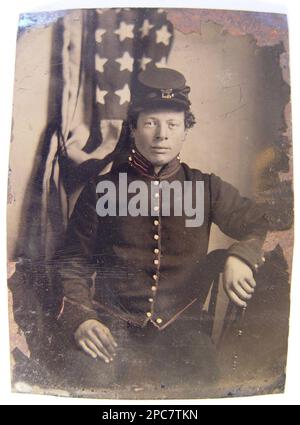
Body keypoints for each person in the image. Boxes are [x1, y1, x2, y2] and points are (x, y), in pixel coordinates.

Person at [51, 67, 268, 390]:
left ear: (185, 130)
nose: (161, 135)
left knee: (202, 381)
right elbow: (72, 260)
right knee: (87, 381)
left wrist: (241, 255)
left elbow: (265, 222)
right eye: (151, 123)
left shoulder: (207, 188)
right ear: (134, 128)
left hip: (184, 330)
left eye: (172, 124)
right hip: (114, 325)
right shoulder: (101, 189)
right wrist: (82, 318)